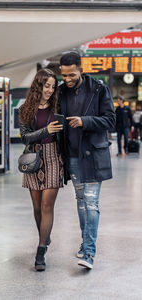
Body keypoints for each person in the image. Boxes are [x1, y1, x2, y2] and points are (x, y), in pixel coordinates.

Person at [58, 52, 115, 269]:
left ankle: (89, 253)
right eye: (64, 76)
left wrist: (84, 121)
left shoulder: (99, 89)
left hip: (92, 156)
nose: (68, 79)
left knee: (91, 204)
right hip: (71, 156)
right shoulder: (61, 91)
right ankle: (85, 244)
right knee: (81, 204)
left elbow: (110, 120)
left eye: (71, 74)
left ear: (81, 70)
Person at [19, 68, 64, 272]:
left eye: (53, 87)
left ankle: (41, 249)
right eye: (47, 86)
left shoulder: (58, 105)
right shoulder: (26, 109)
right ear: (38, 85)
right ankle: (44, 237)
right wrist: (46, 130)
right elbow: (25, 137)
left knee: (47, 206)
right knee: (37, 207)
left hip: (54, 157)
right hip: (33, 158)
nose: (50, 90)